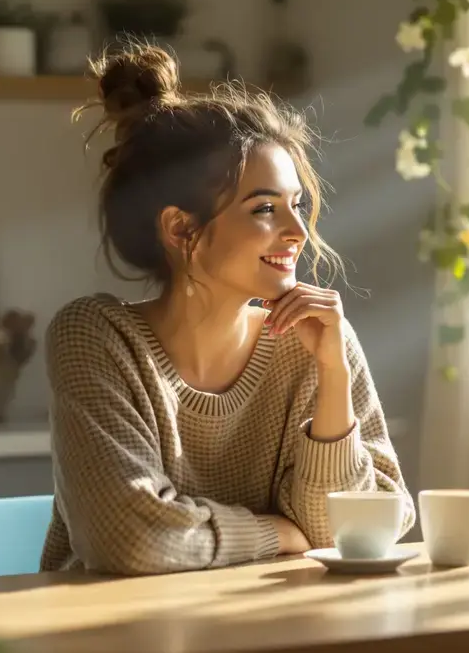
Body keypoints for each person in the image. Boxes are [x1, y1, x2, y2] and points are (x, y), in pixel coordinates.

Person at [40, 42, 415, 576]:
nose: (298, 232)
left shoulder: (318, 337)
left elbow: (359, 530)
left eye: (298, 206)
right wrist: (278, 533)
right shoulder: (95, 337)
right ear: (180, 228)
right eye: (265, 208)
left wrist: (333, 377)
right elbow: (128, 539)